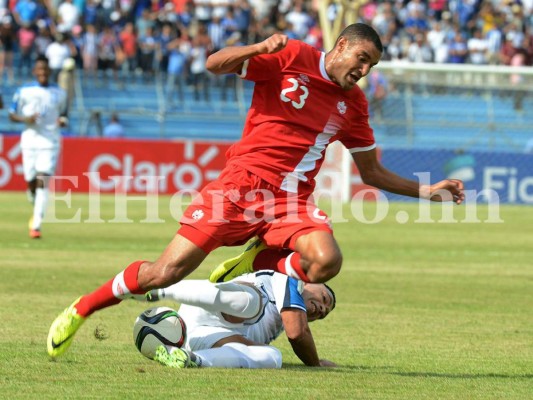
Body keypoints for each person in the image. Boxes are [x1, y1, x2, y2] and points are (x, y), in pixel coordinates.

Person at [47, 23, 464, 359]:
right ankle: (82, 308)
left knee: (326, 261)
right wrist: (258, 46)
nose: (364, 71)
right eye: (362, 59)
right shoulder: (292, 56)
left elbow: (371, 172)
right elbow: (214, 64)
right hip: (239, 187)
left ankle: (258, 261)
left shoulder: (353, 105)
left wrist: (429, 191)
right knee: (165, 273)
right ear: (341, 46)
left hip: (290, 200)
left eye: (371, 66)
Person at [143, 270, 336, 368]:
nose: (322, 308)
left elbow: (294, 330)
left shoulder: (281, 322)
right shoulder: (287, 277)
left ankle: (191, 359)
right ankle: (163, 290)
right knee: (253, 302)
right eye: (324, 299)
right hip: (204, 306)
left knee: (273, 357)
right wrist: (316, 363)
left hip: (197, 338)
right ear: (310, 282)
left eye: (324, 313)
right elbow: (298, 334)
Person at [9, 55, 68, 239]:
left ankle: (36, 225)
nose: (42, 73)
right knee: (31, 179)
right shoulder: (24, 91)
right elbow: (12, 114)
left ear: (49, 72)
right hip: (30, 140)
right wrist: (25, 118)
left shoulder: (60, 93)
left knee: (43, 179)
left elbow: (65, 114)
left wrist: (63, 121)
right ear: (35, 72)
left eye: (45, 70)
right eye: (39, 70)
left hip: (50, 141)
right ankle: (32, 195)